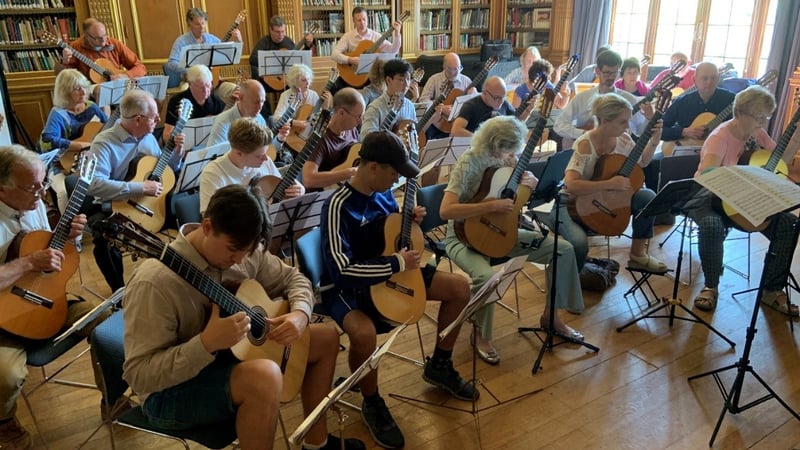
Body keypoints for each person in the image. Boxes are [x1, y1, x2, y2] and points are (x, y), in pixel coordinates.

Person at [123, 184, 365, 450]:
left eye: (247, 252)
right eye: (232, 250)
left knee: (326, 337)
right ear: (207, 227)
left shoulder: (245, 249)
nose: (239, 260)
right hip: (170, 391)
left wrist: (300, 314)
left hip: (229, 357)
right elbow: (139, 376)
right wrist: (206, 344)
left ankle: (316, 444)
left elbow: (293, 278)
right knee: (265, 377)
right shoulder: (155, 282)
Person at [321, 131, 477, 449]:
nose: (397, 180)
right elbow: (342, 271)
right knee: (363, 333)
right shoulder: (337, 205)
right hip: (346, 286)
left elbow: (389, 233)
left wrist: (411, 220)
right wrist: (395, 263)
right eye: (394, 173)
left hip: (391, 269)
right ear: (373, 167)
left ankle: (440, 365)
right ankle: (371, 401)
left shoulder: (382, 193)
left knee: (460, 288)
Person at [440, 116, 584, 365]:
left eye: (514, 151)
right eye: (508, 150)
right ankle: (480, 334)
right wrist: (491, 205)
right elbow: (446, 211)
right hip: (462, 236)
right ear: (493, 144)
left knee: (562, 249)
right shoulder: (469, 162)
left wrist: (532, 184)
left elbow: (517, 198)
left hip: (501, 232)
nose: (511, 156)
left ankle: (551, 317)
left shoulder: (509, 158)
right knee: (487, 277)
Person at [0, 144, 101, 450]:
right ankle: (5, 424)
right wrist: (29, 262)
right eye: (32, 187)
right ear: (2, 188)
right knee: (6, 375)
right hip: (3, 317)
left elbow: (48, 256)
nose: (42, 193)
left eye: (43, 183)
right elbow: (33, 259)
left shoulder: (36, 204)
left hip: (45, 301)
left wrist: (66, 238)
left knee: (106, 321)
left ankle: (114, 395)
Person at [689, 85, 798, 316]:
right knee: (712, 226)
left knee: (789, 224)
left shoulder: (756, 132)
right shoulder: (720, 137)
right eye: (759, 117)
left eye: (766, 117)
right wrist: (739, 176)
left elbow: (778, 161)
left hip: (743, 199)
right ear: (739, 113)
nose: (763, 122)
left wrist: (796, 140)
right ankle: (710, 287)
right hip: (709, 196)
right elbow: (707, 173)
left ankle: (772, 290)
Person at [550, 93, 667, 272]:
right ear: (605, 120)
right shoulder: (584, 144)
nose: (627, 126)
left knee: (647, 197)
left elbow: (643, 162)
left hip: (604, 201)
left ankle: (638, 254)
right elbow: (571, 185)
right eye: (622, 122)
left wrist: (654, 141)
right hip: (570, 204)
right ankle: (572, 277)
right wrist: (609, 184)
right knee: (579, 244)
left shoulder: (623, 138)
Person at [88, 89, 184, 291]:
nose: (159, 120)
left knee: (185, 213)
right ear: (138, 119)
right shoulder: (103, 143)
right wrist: (139, 188)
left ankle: (180, 281)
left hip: (150, 204)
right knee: (104, 240)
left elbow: (162, 171)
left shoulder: (148, 137)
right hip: (114, 206)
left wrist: (176, 153)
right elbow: (93, 184)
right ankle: (120, 294)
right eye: (154, 117)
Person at [199, 117, 304, 214]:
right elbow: (211, 220)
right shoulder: (213, 174)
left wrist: (299, 191)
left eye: (265, 153)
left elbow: (280, 191)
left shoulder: (265, 161)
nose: (266, 159)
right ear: (238, 153)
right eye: (259, 156)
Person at [554, 50, 651, 150]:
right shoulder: (582, 97)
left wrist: (648, 118)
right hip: (585, 149)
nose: (611, 77)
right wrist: (585, 133)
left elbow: (639, 131)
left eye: (615, 73)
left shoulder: (628, 99)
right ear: (597, 71)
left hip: (614, 153)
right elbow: (559, 125)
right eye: (607, 73)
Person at [660, 62, 735, 152]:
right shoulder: (682, 102)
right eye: (704, 78)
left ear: (718, 79)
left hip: (719, 152)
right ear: (695, 80)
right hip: (683, 152)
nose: (709, 82)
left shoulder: (732, 100)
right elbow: (660, 130)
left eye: (713, 78)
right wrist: (683, 132)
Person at [164, 8, 242, 88]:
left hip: (213, 80)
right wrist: (193, 69)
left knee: (233, 88)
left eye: (203, 23)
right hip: (192, 82)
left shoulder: (211, 39)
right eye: (197, 24)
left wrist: (239, 41)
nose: (201, 27)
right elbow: (171, 63)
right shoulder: (181, 41)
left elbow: (229, 54)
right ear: (189, 24)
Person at [302, 88, 363, 190]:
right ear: (341, 113)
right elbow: (308, 179)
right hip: (326, 195)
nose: (361, 121)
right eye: (358, 116)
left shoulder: (352, 130)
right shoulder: (320, 138)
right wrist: (350, 172)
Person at [331, 7, 402, 91]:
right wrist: (350, 60)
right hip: (353, 74)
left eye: (364, 19)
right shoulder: (348, 37)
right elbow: (334, 55)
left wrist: (397, 33)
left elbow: (393, 50)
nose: (362, 23)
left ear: (367, 19)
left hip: (370, 77)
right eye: (359, 20)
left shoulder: (375, 36)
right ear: (354, 21)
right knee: (334, 87)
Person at [39, 68, 107, 155]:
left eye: (84, 87)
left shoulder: (91, 106)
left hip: (92, 152)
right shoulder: (58, 113)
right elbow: (47, 140)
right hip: (68, 155)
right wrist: (78, 145)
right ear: (65, 92)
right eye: (77, 89)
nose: (83, 92)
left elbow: (107, 125)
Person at [55, 18, 146, 81]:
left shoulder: (114, 43)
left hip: (117, 86)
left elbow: (140, 67)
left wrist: (125, 75)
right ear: (87, 36)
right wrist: (64, 61)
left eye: (105, 35)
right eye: (98, 38)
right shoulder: (75, 47)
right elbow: (61, 76)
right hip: (90, 90)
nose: (103, 41)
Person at [449, 76, 533, 138]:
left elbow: (517, 122)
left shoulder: (504, 103)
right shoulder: (471, 105)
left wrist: (528, 110)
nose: (501, 101)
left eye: (503, 97)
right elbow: (455, 131)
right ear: (485, 93)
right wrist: (482, 140)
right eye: (497, 98)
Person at [418, 52, 475, 141]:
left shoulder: (467, 81)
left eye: (458, 68)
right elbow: (423, 100)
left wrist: (474, 95)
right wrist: (441, 107)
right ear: (444, 67)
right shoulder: (434, 79)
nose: (455, 72)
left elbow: (474, 106)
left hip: (458, 124)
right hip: (437, 122)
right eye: (451, 69)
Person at [162, 64, 226, 139]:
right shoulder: (176, 101)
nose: (206, 91)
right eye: (201, 87)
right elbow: (166, 134)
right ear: (190, 84)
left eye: (208, 86)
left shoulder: (216, 102)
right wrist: (175, 139)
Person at [359, 59, 417, 140]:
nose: (406, 84)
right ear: (389, 80)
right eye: (401, 80)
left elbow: (413, 135)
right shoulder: (375, 108)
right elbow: (365, 139)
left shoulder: (410, 106)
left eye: (408, 79)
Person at [271, 64, 320, 131]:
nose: (308, 83)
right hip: (290, 131)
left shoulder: (314, 95)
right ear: (294, 81)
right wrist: (294, 122)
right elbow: (276, 118)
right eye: (303, 80)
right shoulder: (285, 95)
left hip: (306, 131)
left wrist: (325, 105)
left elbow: (318, 116)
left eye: (308, 79)